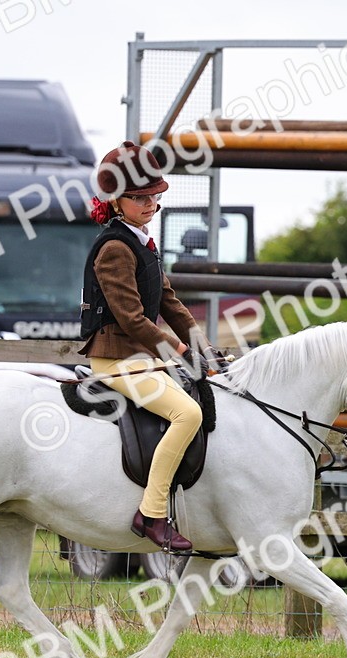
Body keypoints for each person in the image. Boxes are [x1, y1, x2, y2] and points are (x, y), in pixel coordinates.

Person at [78, 141, 213, 553]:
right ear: (117, 201)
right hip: (114, 358)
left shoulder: (142, 242)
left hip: (136, 355)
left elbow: (168, 300)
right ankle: (152, 513)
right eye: (140, 198)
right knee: (187, 413)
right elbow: (132, 318)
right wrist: (178, 349)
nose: (151, 204)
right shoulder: (116, 248)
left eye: (154, 196)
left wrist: (202, 344)